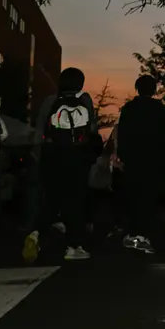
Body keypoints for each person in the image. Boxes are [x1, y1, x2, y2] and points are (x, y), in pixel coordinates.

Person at [24, 67, 98, 262]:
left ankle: (36, 233)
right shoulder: (85, 100)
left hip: (52, 155)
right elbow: (91, 129)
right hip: (76, 157)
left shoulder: (51, 101)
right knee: (74, 200)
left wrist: (39, 156)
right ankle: (74, 246)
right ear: (80, 83)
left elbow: (39, 131)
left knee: (52, 198)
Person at [116, 75, 165, 254]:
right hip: (152, 160)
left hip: (133, 159)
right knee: (148, 198)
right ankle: (143, 234)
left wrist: (122, 155)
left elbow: (122, 134)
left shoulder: (129, 108)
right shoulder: (159, 110)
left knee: (132, 196)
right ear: (154, 90)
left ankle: (132, 232)